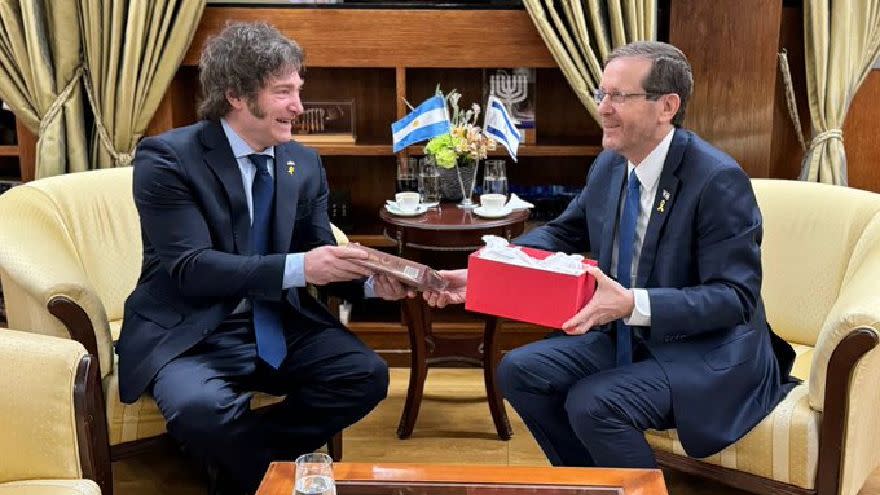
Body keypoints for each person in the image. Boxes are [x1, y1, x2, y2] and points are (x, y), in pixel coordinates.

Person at [424, 41, 797, 468]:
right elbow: (564, 231)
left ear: (667, 106)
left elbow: (735, 298)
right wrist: (488, 273)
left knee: (593, 403)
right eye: (602, 94)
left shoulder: (717, 181)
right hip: (626, 333)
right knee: (520, 372)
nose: (602, 108)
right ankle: (591, 481)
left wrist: (632, 304)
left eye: (619, 96)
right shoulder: (610, 164)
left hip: (704, 349)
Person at [117, 23, 410, 494]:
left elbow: (319, 253)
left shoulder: (303, 163)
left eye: (298, 90)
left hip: (277, 322)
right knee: (200, 411)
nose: (298, 106)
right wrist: (302, 267)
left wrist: (372, 284)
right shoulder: (168, 159)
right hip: (193, 328)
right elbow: (191, 268)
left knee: (365, 376)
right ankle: (264, 477)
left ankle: (236, 466)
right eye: (283, 92)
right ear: (235, 95)